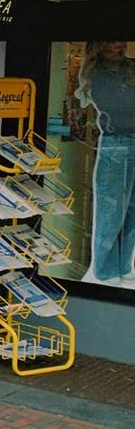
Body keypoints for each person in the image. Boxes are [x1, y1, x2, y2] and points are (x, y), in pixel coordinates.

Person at [75, 40, 135, 285]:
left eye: (120, 42)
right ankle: (106, 272)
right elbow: (117, 105)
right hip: (117, 142)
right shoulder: (95, 74)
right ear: (98, 46)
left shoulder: (129, 67)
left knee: (131, 210)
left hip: (123, 141)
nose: (117, 46)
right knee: (111, 210)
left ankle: (122, 266)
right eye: (111, 43)